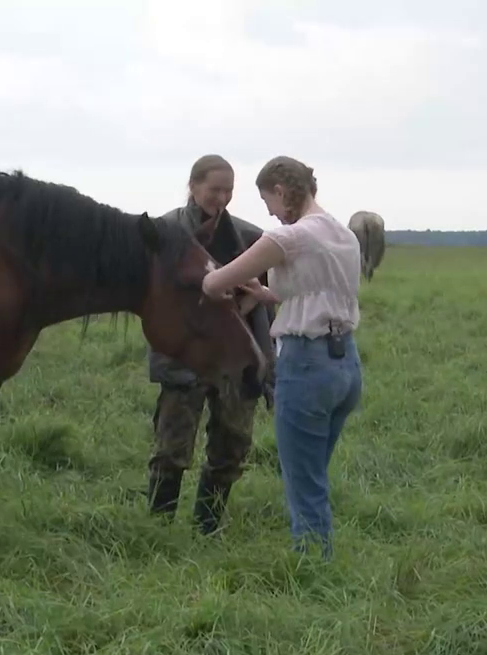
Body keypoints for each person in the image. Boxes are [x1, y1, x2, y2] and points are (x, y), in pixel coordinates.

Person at [201, 155, 362, 559]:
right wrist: (263, 294)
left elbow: (216, 282)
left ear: (281, 190)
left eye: (268, 201)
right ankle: (317, 555)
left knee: (304, 483)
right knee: (314, 474)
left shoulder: (288, 238)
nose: (270, 212)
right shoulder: (342, 235)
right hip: (345, 366)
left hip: (306, 365)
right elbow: (311, 295)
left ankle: (313, 567)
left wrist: (206, 273)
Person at [146, 154, 276, 536]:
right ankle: (158, 531)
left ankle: (208, 528)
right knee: (171, 450)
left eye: (228, 191)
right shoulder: (164, 232)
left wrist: (242, 304)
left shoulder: (251, 237)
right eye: (214, 189)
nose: (221, 198)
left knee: (232, 447)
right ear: (193, 185)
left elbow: (266, 298)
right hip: (183, 355)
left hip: (235, 356)